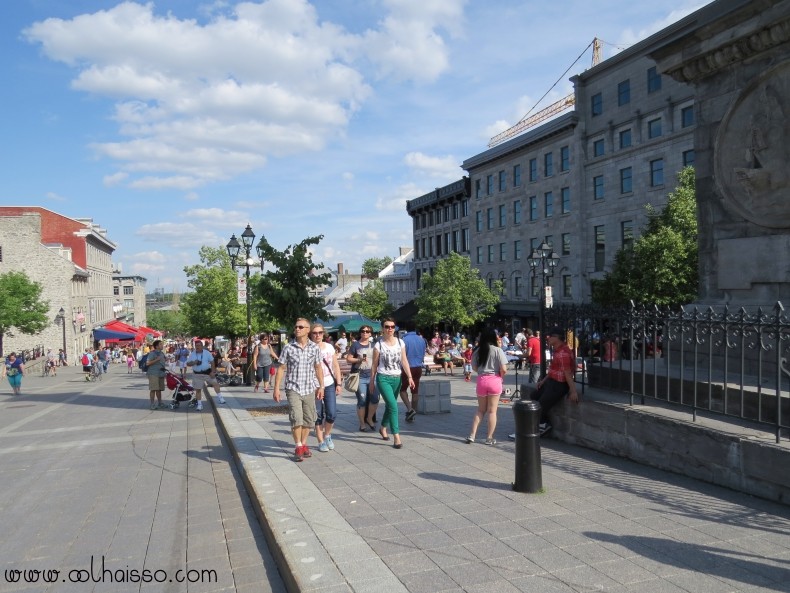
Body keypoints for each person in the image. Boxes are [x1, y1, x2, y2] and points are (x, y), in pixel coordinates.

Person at [273, 319, 324, 461]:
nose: (297, 329)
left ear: (308, 330)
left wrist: (321, 386)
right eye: (296, 327)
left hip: (309, 388)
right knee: (296, 417)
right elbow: (281, 368)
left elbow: (318, 368)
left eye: (301, 327)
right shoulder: (288, 348)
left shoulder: (314, 348)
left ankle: (304, 444)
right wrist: (276, 388)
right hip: (293, 388)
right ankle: (298, 446)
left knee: (308, 419)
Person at [370, 318, 414, 449]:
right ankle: (396, 436)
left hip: (397, 378)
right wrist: (372, 381)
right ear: (382, 328)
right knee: (394, 406)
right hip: (383, 378)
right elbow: (374, 365)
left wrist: (410, 376)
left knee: (391, 406)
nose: (390, 329)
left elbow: (404, 361)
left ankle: (383, 427)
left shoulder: (400, 342)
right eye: (387, 326)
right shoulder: (379, 345)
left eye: (392, 326)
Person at [530, 327, 580, 436]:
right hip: (552, 382)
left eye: (551, 336)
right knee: (534, 396)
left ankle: (543, 425)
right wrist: (543, 381)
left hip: (559, 385)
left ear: (558, 338)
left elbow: (567, 373)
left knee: (540, 404)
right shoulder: (558, 350)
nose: (548, 337)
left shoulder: (563, 353)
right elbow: (553, 369)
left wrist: (573, 391)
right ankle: (543, 423)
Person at [466, 328, 508, 445]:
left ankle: (472, 435)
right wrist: (500, 376)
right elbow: (503, 369)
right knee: (492, 411)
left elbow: (474, 368)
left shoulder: (477, 351)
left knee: (480, 410)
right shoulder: (497, 350)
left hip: (481, 380)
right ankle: (489, 437)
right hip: (494, 379)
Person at [310, 323, 342, 452]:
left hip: (329, 383)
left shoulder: (329, 347)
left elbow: (335, 366)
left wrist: (338, 383)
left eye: (320, 333)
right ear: (311, 334)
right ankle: (320, 441)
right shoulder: (308, 348)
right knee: (317, 414)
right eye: (315, 333)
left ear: (323, 334)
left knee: (332, 413)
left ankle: (327, 435)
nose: (317, 335)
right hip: (314, 385)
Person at [346, 325, 378, 432]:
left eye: (367, 331)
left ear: (370, 334)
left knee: (374, 399)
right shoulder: (355, 345)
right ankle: (362, 423)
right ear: (360, 333)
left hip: (372, 375)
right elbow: (348, 358)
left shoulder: (374, 345)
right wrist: (358, 359)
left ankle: (369, 418)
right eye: (363, 331)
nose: (365, 333)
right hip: (360, 376)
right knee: (362, 400)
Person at [186, 339, 225, 411]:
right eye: (196, 346)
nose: (197, 347)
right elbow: (188, 364)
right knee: (198, 390)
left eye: (199, 346)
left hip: (207, 372)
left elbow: (212, 361)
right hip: (197, 374)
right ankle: (199, 404)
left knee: (215, 383)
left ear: (202, 346)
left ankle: (220, 398)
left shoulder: (207, 353)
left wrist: (213, 371)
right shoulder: (192, 354)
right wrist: (194, 362)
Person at [399, 324, 427, 422]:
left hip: (407, 368)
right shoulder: (421, 340)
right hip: (418, 367)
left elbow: (401, 355)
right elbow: (423, 353)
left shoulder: (403, 340)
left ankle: (410, 409)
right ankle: (413, 412)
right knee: (415, 391)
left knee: (402, 390)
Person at [144, 339, 168, 410]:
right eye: (160, 344)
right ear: (157, 346)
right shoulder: (152, 353)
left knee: (159, 389)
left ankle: (160, 403)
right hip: (153, 373)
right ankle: (152, 404)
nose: (162, 345)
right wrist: (156, 360)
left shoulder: (161, 353)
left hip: (161, 373)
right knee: (153, 389)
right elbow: (147, 363)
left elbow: (162, 360)